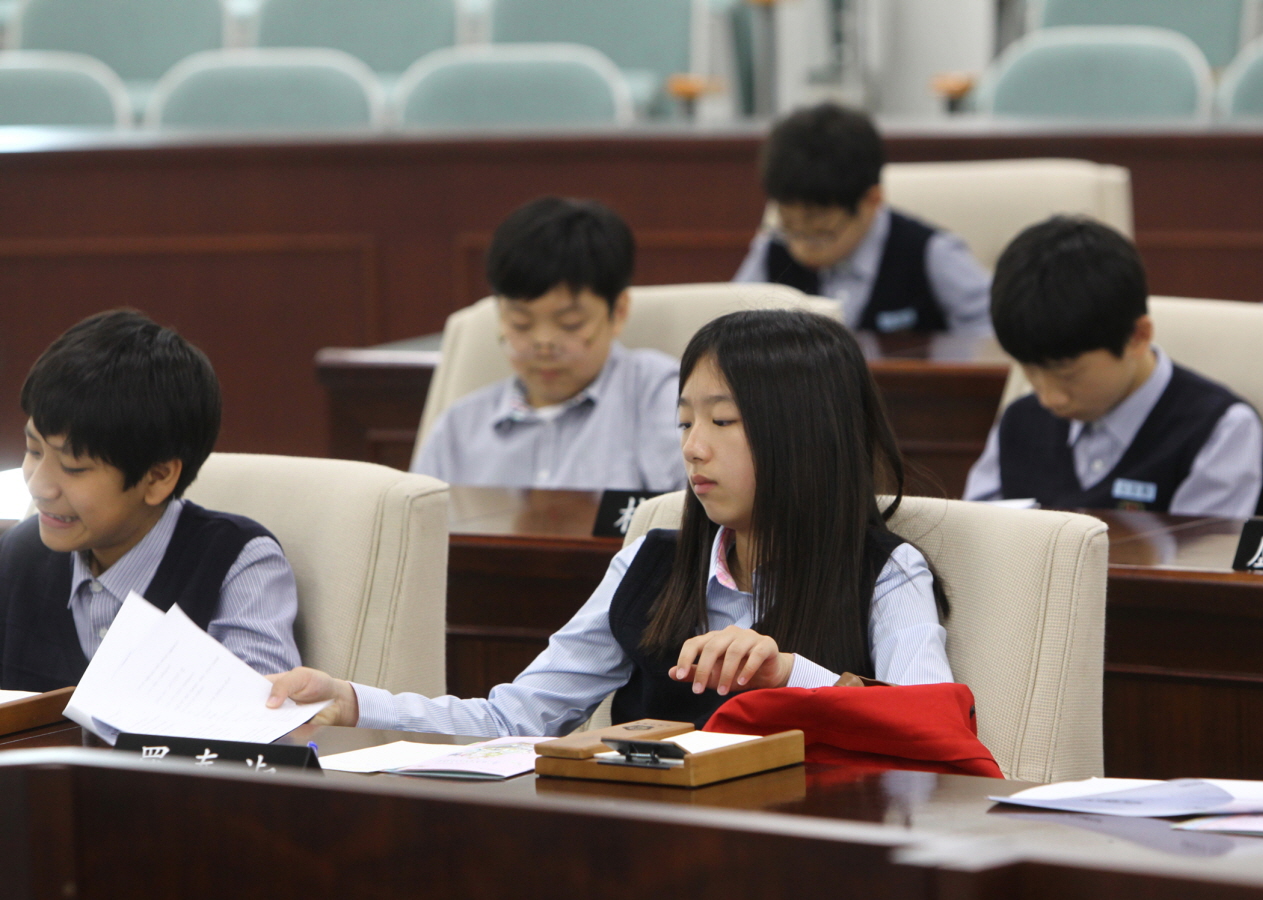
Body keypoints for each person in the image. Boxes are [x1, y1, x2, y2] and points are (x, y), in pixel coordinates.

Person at [269, 309, 953, 736]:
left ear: (804, 435)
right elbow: (516, 718)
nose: (692, 446)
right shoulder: (651, 563)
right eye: (684, 421)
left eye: (721, 422)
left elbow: (929, 723)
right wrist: (357, 702)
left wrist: (789, 674)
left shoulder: (883, 571)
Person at [0, 310, 301, 692]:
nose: (40, 487)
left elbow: (261, 716)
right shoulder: (16, 555)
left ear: (157, 478)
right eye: (33, 449)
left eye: (74, 467)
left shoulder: (236, 564)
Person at [964, 216, 1263, 516]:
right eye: (1029, 370)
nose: (1048, 397)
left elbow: (1203, 558)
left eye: (1067, 374)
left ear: (1137, 337)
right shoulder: (1020, 420)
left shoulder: (1219, 431)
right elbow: (975, 537)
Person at [412, 196, 684, 492]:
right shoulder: (459, 428)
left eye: (570, 323)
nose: (543, 343)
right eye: (521, 323)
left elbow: (692, 521)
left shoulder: (662, 398)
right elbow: (416, 531)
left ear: (618, 312)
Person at [733, 103, 991, 336]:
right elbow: (729, 324)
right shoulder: (771, 249)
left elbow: (992, 335)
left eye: (820, 232)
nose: (801, 246)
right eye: (789, 226)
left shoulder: (931, 253)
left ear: (871, 200)